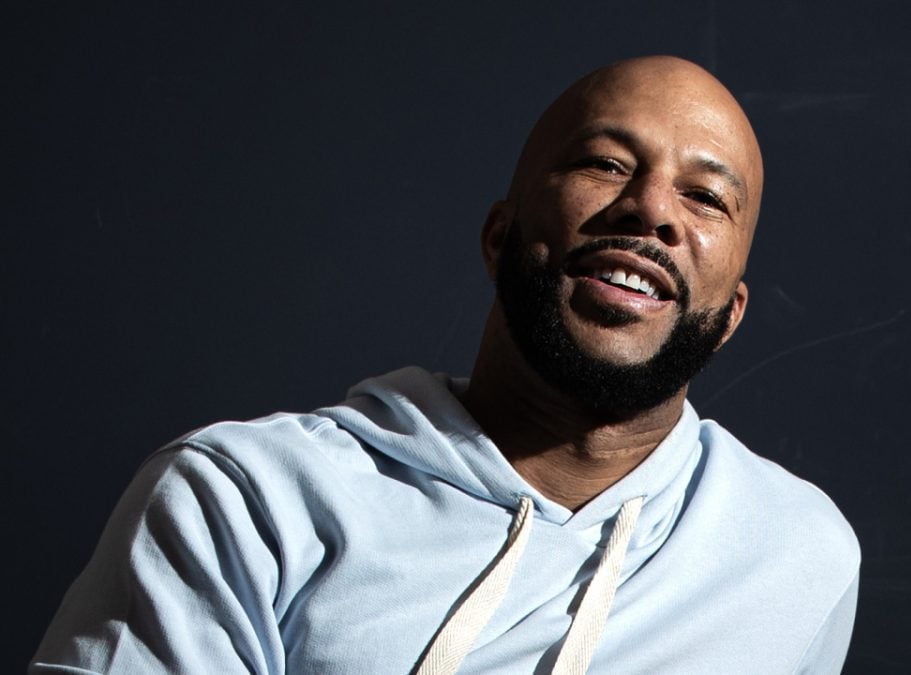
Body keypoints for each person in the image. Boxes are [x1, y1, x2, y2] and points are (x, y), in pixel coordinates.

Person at [32, 55, 860, 674]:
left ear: (729, 317)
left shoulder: (797, 552)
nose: (650, 209)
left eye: (705, 196)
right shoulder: (244, 499)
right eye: (606, 164)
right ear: (501, 238)